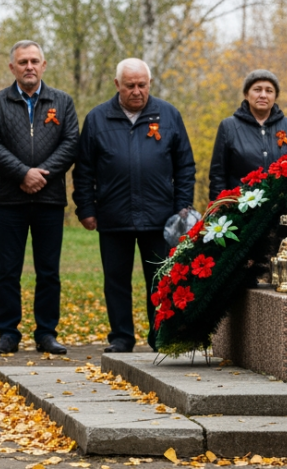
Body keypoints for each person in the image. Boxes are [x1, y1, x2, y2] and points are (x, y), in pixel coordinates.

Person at [73, 58, 195, 353]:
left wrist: (182, 209)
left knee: (159, 281)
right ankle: (121, 337)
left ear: (149, 84)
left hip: (160, 218)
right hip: (113, 217)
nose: (137, 91)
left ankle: (159, 336)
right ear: (117, 85)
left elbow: (185, 167)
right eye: (130, 85)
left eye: (142, 85)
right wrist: (86, 209)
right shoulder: (98, 118)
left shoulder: (168, 115)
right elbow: (83, 170)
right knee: (116, 281)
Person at [0, 40, 79, 356]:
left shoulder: (62, 102)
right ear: (12, 67)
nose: (29, 66)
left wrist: (41, 174)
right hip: (9, 198)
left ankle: (46, 332)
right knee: (8, 270)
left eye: (34, 61)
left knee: (48, 270)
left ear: (44, 65)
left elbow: (70, 144)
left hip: (49, 198)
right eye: (23, 62)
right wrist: (22, 173)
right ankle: (8, 333)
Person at [207, 70, 287, 200]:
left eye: (269, 91)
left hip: (283, 208)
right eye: (257, 90)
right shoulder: (229, 126)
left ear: (275, 96)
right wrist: (220, 210)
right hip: (240, 210)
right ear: (246, 94)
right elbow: (218, 175)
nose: (263, 95)